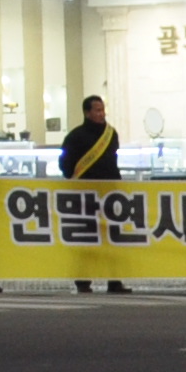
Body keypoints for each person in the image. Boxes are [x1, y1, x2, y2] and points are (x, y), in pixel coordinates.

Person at [59, 94, 126, 294]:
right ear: (87, 113)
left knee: (111, 239)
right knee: (85, 238)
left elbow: (113, 162)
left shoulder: (111, 134)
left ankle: (114, 281)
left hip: (108, 195)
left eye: (102, 109)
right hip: (84, 196)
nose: (101, 113)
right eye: (97, 110)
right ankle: (83, 280)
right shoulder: (75, 137)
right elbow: (65, 165)